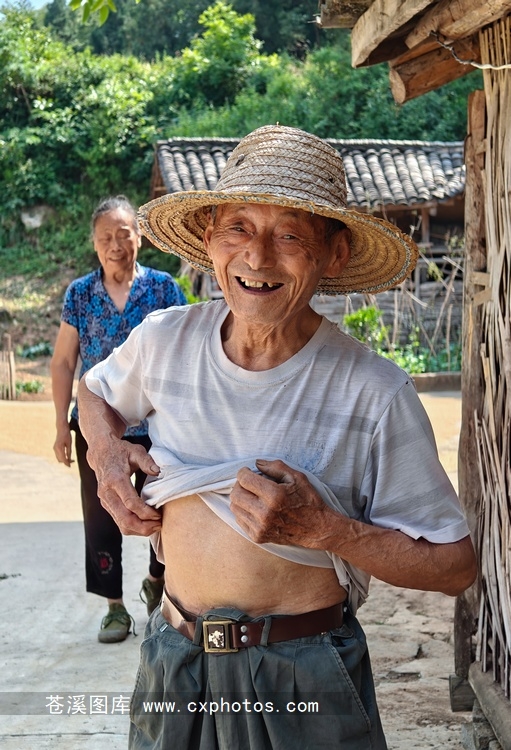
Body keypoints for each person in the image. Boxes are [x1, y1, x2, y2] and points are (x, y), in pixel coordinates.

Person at [77, 127, 477, 748]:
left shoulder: (374, 392)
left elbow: (455, 566)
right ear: (209, 237)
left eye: (290, 236)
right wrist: (106, 457)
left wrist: (328, 531)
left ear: (334, 254)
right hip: (175, 660)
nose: (258, 258)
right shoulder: (163, 341)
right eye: (238, 228)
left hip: (302, 674)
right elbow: (94, 393)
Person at [51, 194, 187, 644]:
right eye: (105, 237)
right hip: (97, 427)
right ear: (94, 244)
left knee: (166, 506)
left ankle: (157, 582)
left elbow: (187, 350)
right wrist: (61, 426)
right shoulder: (80, 294)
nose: (115, 244)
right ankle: (114, 607)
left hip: (157, 423)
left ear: (139, 237)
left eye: (123, 234)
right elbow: (63, 362)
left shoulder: (164, 289)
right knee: (100, 514)